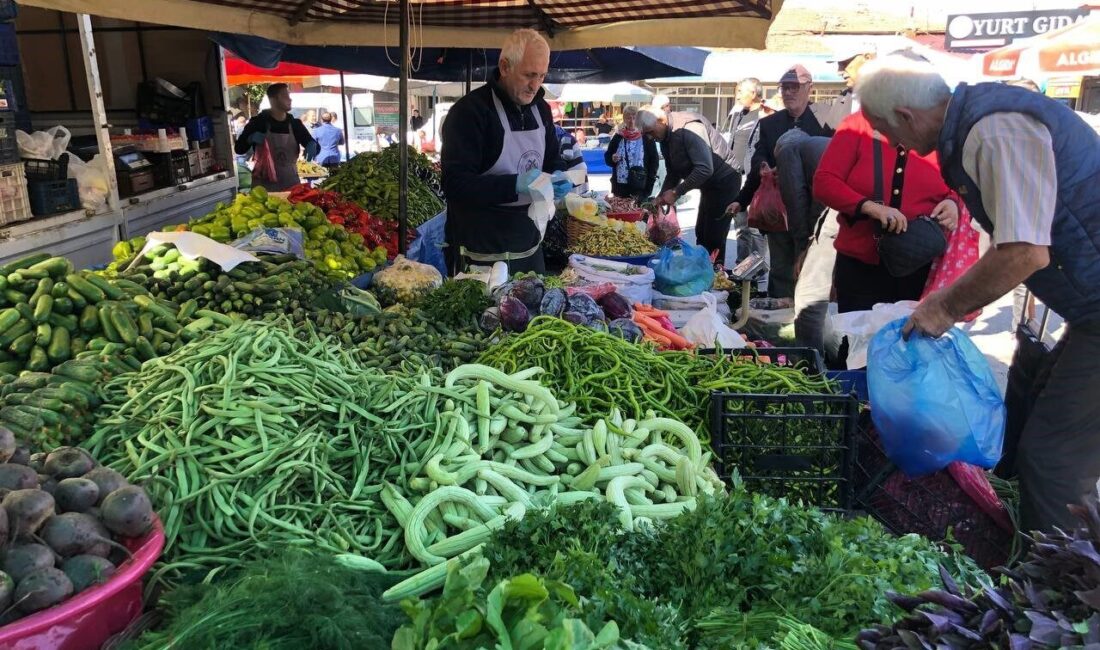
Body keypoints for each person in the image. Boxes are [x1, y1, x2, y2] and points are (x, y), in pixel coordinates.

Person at [856, 54, 1100, 533]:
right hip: (1088, 308)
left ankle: (1063, 580)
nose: (892, 144)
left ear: (905, 115)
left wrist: (944, 306)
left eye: (885, 130)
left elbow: (1024, 252)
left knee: (1052, 460)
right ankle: (1049, 560)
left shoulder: (994, 131)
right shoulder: (980, 125)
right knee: (1039, 435)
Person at [440, 28, 570, 275]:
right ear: (504, 66)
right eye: (529, 75)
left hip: (530, 245)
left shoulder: (541, 110)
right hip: (480, 250)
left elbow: (553, 158)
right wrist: (515, 184)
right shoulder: (470, 112)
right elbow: (454, 183)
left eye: (541, 76)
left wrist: (559, 173)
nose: (535, 85)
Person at [813, 110, 958, 313]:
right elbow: (824, 182)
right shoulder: (857, 125)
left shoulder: (934, 126)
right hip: (861, 265)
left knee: (912, 331)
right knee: (858, 330)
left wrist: (952, 201)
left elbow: (959, 180)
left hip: (921, 262)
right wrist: (870, 207)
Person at [725, 65, 833, 310]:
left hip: (815, 210)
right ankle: (778, 321)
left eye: (795, 87)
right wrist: (743, 197)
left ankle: (807, 315)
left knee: (811, 268)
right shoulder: (770, 123)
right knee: (782, 267)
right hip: (779, 211)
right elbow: (758, 159)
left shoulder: (825, 120)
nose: (789, 93)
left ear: (809, 88)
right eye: (785, 88)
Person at [637, 107, 740, 264]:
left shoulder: (690, 128)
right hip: (708, 184)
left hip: (725, 180)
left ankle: (715, 273)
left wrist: (677, 192)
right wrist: (660, 197)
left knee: (714, 236)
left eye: (650, 132)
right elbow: (673, 173)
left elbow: (705, 169)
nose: (650, 138)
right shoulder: (665, 137)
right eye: (646, 134)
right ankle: (702, 269)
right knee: (701, 232)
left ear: (661, 121)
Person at [773, 129, 834, 353]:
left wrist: (804, 248)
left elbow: (796, 202)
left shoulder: (788, 152)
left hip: (831, 218)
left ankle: (809, 359)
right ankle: (833, 351)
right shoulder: (818, 145)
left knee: (809, 296)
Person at [234, 83, 318, 191]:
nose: (290, 99)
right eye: (285, 96)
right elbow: (239, 149)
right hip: (263, 188)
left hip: (291, 185)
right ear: (273, 99)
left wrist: (313, 145)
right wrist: (249, 139)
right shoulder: (257, 123)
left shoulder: (295, 124)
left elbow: (312, 144)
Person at [726, 78, 768, 287]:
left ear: (754, 93)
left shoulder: (765, 114)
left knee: (755, 228)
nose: (738, 95)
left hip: (755, 179)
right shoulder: (738, 114)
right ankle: (742, 267)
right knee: (741, 226)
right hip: (737, 175)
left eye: (742, 91)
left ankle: (758, 269)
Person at [605, 105, 658, 201]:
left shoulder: (646, 137)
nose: (632, 121)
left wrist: (649, 185)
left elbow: (654, 162)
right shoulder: (618, 137)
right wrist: (612, 158)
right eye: (628, 118)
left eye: (634, 118)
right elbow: (607, 157)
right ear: (624, 119)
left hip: (640, 186)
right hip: (620, 187)